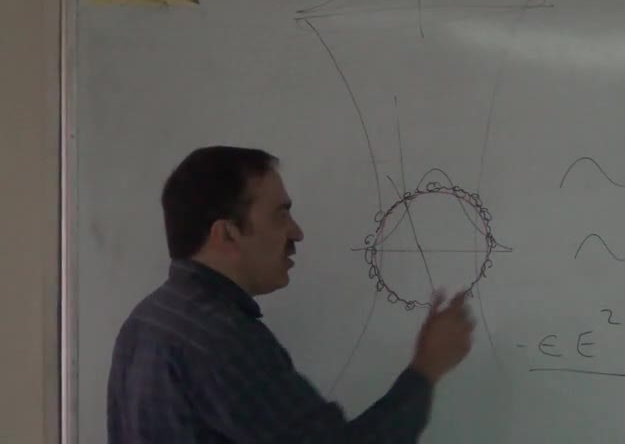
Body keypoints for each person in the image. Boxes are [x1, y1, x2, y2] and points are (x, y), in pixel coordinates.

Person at [107, 146, 475, 443]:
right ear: (227, 235)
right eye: (280, 216)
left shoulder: (146, 320)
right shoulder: (222, 338)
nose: (296, 233)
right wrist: (426, 368)